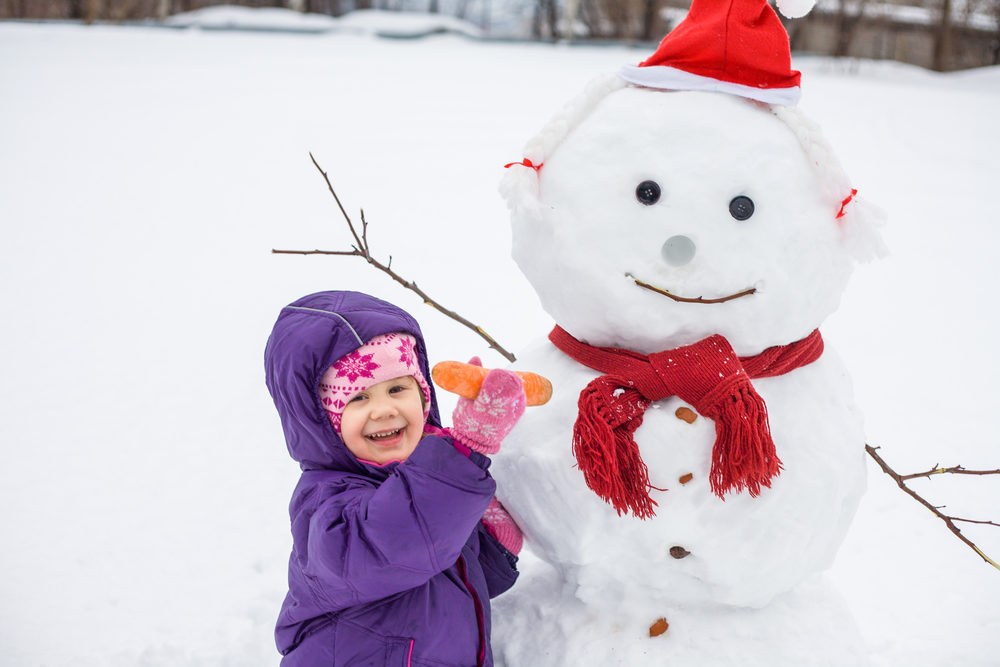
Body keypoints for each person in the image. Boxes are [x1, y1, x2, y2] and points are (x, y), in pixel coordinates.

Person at [264, 290, 525, 667]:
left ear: (423, 396)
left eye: (397, 389)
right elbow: (392, 548)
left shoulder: (422, 485)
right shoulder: (326, 501)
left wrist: (493, 544)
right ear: (322, 423)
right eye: (357, 398)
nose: (384, 410)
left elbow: (450, 580)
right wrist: (463, 454)